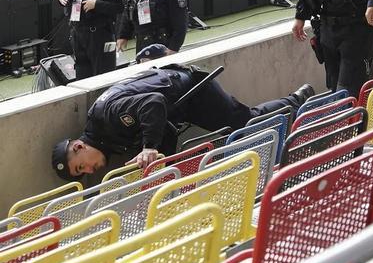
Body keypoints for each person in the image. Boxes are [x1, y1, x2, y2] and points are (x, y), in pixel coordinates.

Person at [50, 66, 314, 180]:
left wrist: (149, 147)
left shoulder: (106, 116)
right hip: (175, 110)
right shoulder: (105, 139)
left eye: (80, 166)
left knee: (245, 123)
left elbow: (152, 102)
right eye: (81, 173)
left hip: (191, 91)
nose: (88, 170)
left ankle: (296, 100)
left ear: (78, 147)